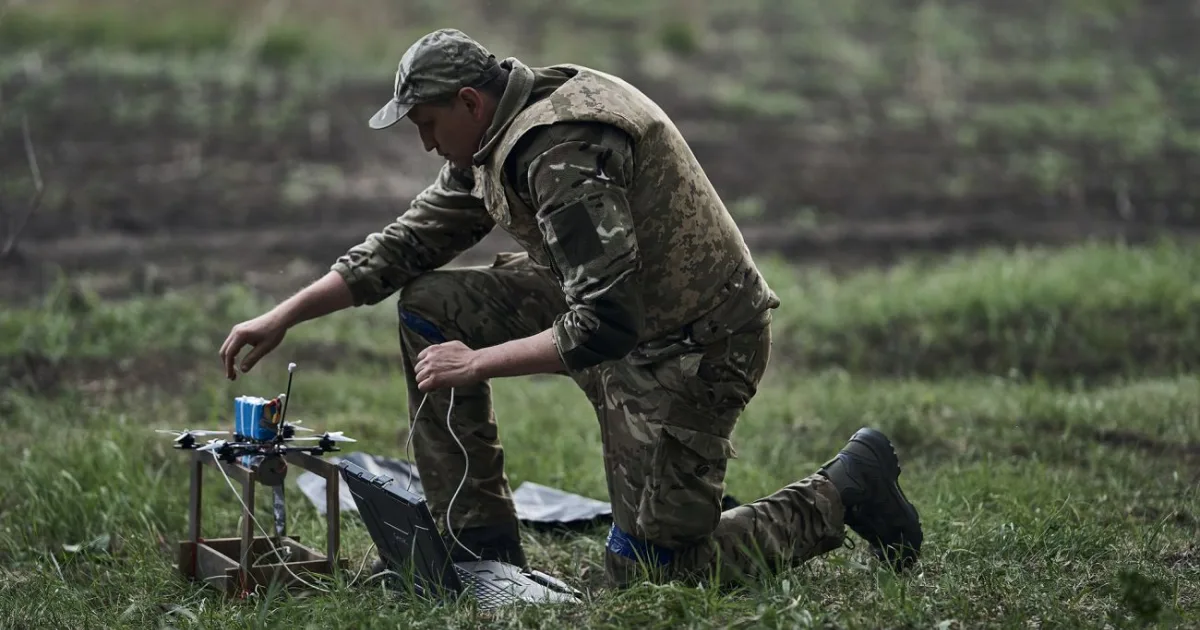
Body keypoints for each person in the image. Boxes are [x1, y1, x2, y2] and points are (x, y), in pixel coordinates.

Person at [218, 28, 922, 588]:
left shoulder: (560, 150)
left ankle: (842, 492)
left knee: (656, 576)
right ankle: (475, 546)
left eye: (429, 124)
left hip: (692, 347)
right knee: (431, 303)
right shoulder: (496, 134)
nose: (427, 143)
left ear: (469, 101)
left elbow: (604, 322)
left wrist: (477, 363)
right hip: (615, 319)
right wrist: (284, 314)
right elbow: (406, 246)